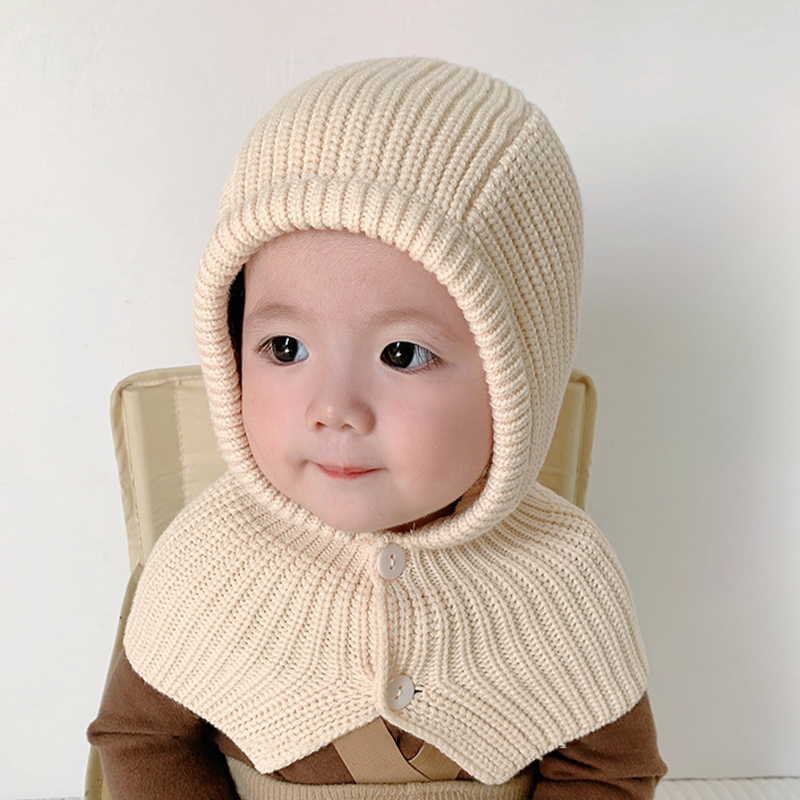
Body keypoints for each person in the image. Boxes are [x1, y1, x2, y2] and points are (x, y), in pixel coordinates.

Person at [88, 57, 668, 799]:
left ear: (518, 377)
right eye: (285, 348)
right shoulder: (208, 558)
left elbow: (609, 771)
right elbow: (141, 738)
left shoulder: (562, 574)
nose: (334, 407)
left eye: (402, 354)